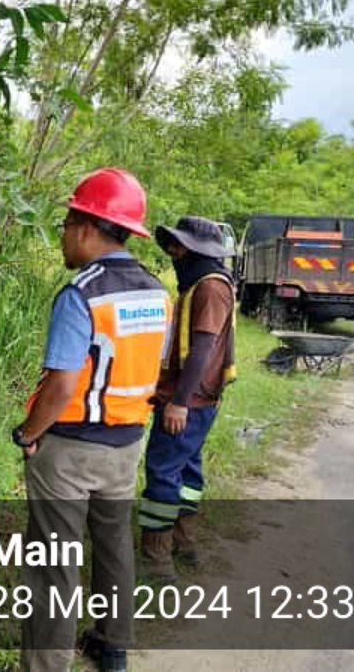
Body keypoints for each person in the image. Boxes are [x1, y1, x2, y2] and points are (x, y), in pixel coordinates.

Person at [12, 168, 171, 672]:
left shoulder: (81, 294)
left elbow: (61, 385)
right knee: (114, 546)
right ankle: (112, 645)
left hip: (71, 449)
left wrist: (28, 434)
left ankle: (46, 664)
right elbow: (157, 367)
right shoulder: (154, 292)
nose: (62, 236)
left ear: (86, 226)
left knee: (53, 566)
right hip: (127, 445)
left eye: (65, 224)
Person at [138, 216, 237, 581]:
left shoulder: (210, 289)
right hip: (199, 401)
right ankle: (186, 542)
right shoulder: (206, 285)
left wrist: (178, 401)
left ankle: (156, 557)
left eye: (179, 247)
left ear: (197, 251)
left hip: (188, 402)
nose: (173, 252)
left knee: (163, 472)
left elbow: (202, 348)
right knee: (188, 473)